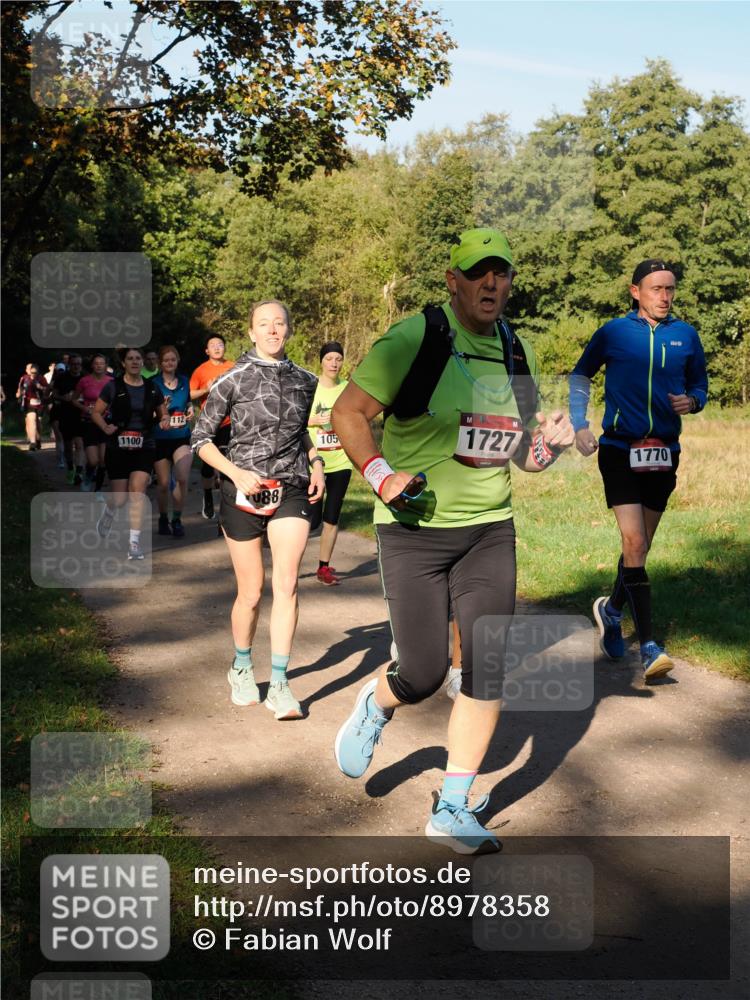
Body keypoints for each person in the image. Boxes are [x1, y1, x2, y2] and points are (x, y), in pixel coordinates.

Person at [331, 228, 574, 854]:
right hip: (414, 532)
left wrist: (554, 442)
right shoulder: (417, 338)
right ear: (454, 281)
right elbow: (349, 414)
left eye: (503, 274)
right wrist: (381, 477)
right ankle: (378, 703)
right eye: (479, 273)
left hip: (491, 529)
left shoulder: (515, 350)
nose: (493, 284)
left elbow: (523, 453)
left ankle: (452, 807)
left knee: (487, 668)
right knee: (423, 670)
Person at [569, 259, 708, 681]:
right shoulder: (614, 332)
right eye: (656, 289)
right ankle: (649, 647)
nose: (665, 296)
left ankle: (610, 610)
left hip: (664, 452)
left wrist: (694, 401)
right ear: (635, 292)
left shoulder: (686, 335)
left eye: (670, 289)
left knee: (639, 549)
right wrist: (579, 425)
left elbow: (700, 384)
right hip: (619, 449)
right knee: (633, 539)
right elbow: (580, 375)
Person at [192, 300, 324, 721]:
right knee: (251, 593)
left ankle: (281, 683)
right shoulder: (232, 378)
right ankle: (242, 666)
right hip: (242, 492)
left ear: (288, 330)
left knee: (286, 585)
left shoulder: (307, 379)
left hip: (291, 488)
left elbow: (300, 430)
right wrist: (237, 473)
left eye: (279, 323)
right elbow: (201, 438)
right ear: (250, 333)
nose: (272, 330)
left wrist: (317, 463)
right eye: (263, 324)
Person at [91, 347, 169, 561]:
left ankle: (134, 542)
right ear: (123, 363)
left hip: (145, 444)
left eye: (138, 359)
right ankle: (109, 512)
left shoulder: (153, 388)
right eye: (130, 359)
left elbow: (163, 412)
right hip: (118, 445)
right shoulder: (113, 386)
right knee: (119, 499)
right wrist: (105, 428)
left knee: (138, 490)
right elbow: (96, 413)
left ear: (143, 362)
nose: (135, 362)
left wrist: (164, 420)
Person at [307, 341, 353, 585]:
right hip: (315, 463)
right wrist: (315, 419)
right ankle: (290, 564)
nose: (334, 363)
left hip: (341, 461)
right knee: (310, 520)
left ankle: (323, 568)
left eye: (338, 359)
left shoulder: (347, 388)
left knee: (332, 516)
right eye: (329, 359)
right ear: (321, 361)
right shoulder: (311, 388)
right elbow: (299, 420)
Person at [190, 334, 234, 522]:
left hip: (229, 422)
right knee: (208, 467)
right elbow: (191, 394)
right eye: (213, 345)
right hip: (208, 423)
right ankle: (208, 496)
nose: (217, 348)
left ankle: (227, 504)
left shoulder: (233, 367)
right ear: (207, 351)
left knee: (228, 462)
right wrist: (206, 390)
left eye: (220, 345)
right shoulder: (200, 371)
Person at [152, 345, 193, 537]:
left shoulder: (185, 381)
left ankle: (176, 519)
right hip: (160, 438)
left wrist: (190, 409)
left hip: (181, 436)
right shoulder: (152, 383)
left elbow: (188, 403)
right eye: (166, 360)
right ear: (161, 363)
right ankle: (162, 518)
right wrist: (160, 410)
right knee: (163, 483)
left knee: (183, 479)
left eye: (173, 360)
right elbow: (146, 412)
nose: (170, 363)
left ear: (177, 362)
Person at [72, 353, 113, 493]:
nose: (99, 366)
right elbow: (74, 399)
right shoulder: (84, 381)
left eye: (102, 363)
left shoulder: (112, 381)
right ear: (92, 365)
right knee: (93, 460)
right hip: (89, 423)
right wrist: (85, 409)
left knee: (103, 460)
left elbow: (117, 400)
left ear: (106, 366)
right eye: (96, 363)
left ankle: (99, 489)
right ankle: (88, 475)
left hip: (106, 423)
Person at [52, 353, 86, 483]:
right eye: (73, 364)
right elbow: (54, 394)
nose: (76, 366)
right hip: (65, 414)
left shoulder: (85, 378)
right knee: (67, 445)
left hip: (80, 414)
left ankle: (78, 472)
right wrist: (62, 397)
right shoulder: (61, 377)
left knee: (79, 444)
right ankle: (70, 468)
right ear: (69, 365)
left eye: (78, 364)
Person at [16, 363, 48, 450]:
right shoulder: (24, 378)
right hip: (28, 403)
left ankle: (38, 439)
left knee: (38, 423)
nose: (33, 374)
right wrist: (19, 393)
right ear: (29, 371)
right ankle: (32, 443)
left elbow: (47, 391)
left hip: (40, 403)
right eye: (32, 372)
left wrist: (40, 387)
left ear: (38, 372)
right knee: (32, 419)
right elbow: (20, 388)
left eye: (35, 373)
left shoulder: (41, 378)